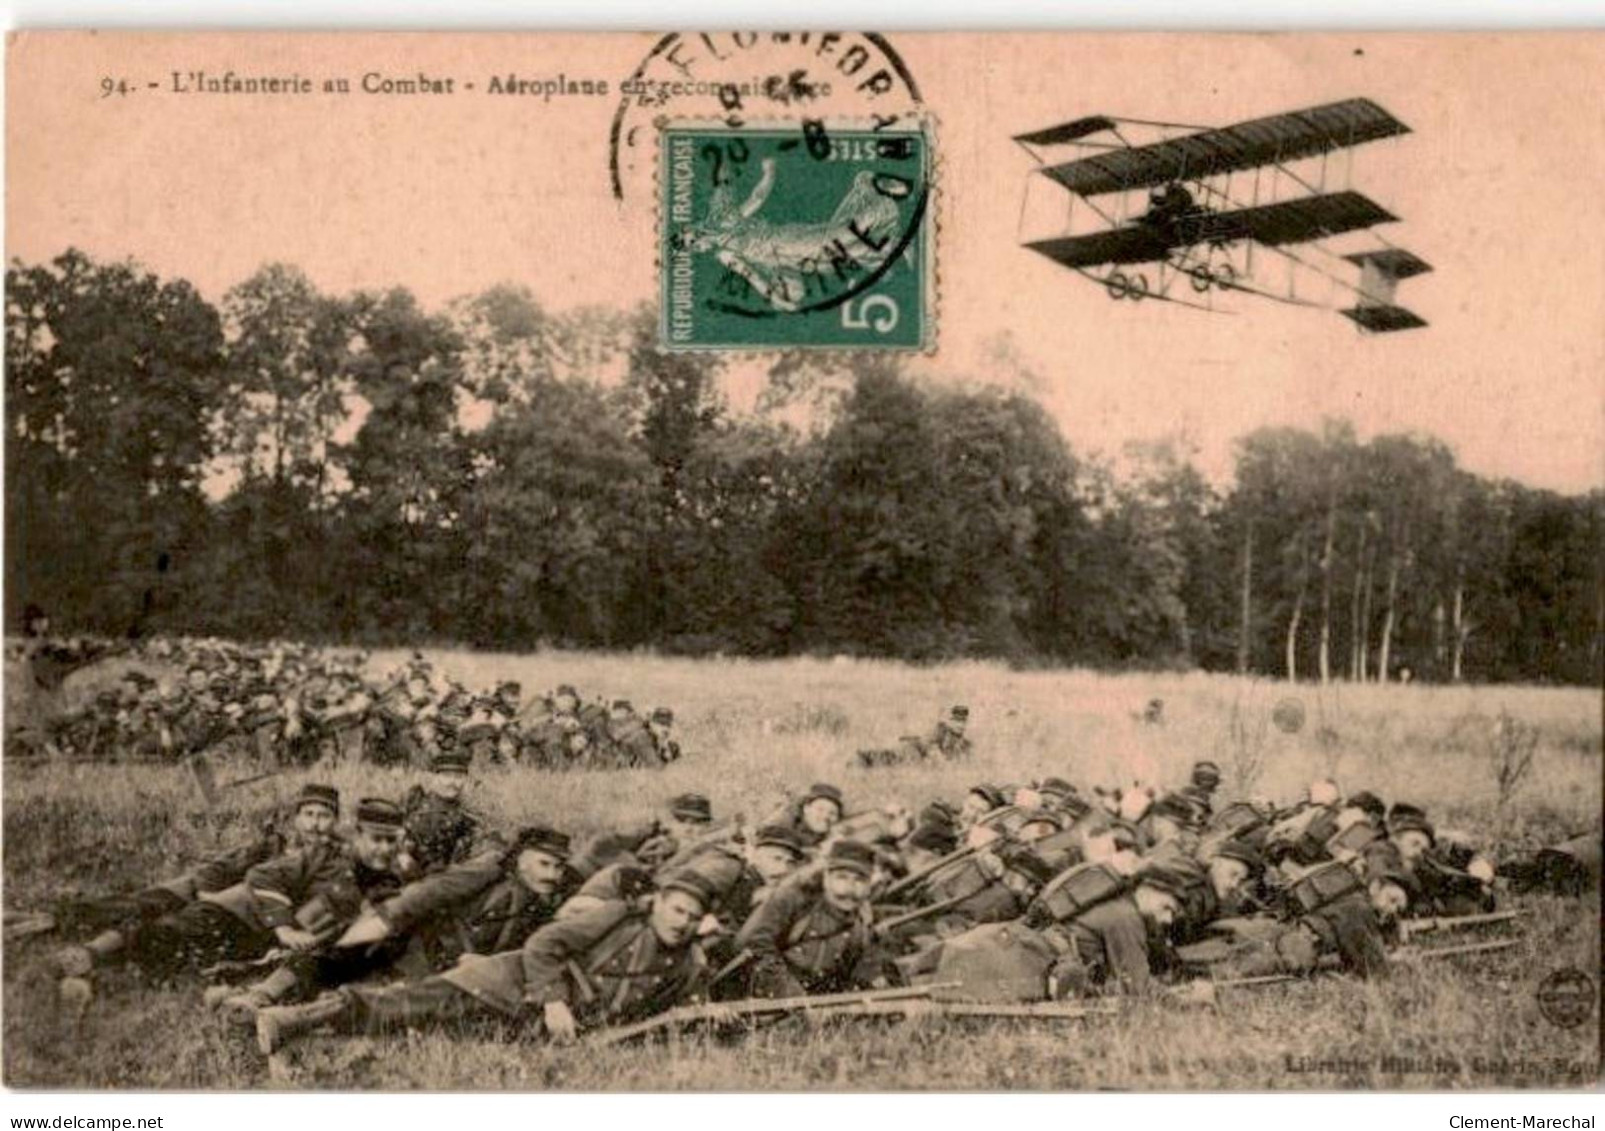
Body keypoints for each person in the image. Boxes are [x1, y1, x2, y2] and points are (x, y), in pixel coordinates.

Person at [253, 870, 717, 1054]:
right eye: (677, 909)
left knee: (420, 1039)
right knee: (408, 1005)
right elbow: (543, 945)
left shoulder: (685, 963)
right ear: (658, 903)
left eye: (692, 917)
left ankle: (304, 1042)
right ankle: (288, 1016)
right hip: (505, 983)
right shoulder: (618, 916)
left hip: (533, 1026)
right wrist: (554, 1001)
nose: (682, 922)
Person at [123, 798, 406, 985]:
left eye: (390, 840)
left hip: (255, 940)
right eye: (376, 839)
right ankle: (93, 955)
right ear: (357, 835)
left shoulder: (387, 880)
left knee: (178, 971)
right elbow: (262, 875)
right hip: (230, 915)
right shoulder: (324, 855)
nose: (384, 848)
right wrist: (284, 930)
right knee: (151, 940)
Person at [734, 840, 884, 998]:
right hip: (758, 994)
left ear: (869, 885)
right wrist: (794, 996)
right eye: (842, 878)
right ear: (826, 877)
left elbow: (862, 969)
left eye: (860, 880)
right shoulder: (793, 899)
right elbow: (751, 944)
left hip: (816, 997)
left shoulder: (862, 918)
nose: (850, 890)